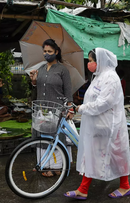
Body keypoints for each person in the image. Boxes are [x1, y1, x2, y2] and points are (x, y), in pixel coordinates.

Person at [64, 48, 130, 200]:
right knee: (91, 153)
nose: (89, 64)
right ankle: (83, 189)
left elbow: (103, 103)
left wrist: (82, 108)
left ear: (100, 60)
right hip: (97, 123)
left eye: (91, 60)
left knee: (117, 155)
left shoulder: (111, 77)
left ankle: (125, 186)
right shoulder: (99, 76)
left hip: (109, 124)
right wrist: (81, 106)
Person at [29, 39, 73, 177]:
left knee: (55, 138)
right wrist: (34, 81)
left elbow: (68, 91)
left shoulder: (62, 70)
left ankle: (57, 167)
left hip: (57, 110)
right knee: (41, 137)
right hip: (42, 110)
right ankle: (44, 164)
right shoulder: (41, 69)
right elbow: (37, 88)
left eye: (49, 51)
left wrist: (70, 109)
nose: (46, 54)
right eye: (45, 51)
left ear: (56, 52)